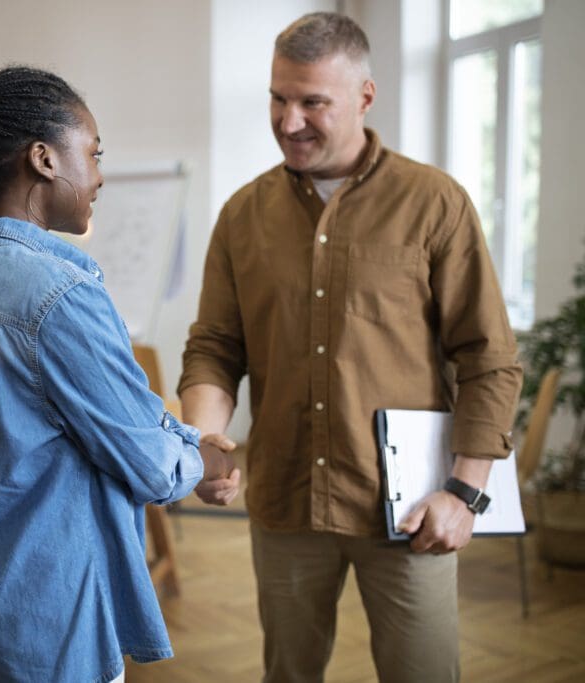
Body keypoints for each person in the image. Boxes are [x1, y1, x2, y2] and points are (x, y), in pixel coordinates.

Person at [178, 12, 522, 683]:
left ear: (364, 97)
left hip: (409, 506)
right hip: (285, 497)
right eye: (279, 98)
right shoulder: (242, 215)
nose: (289, 120)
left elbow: (488, 354)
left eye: (313, 102)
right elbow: (216, 345)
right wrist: (207, 436)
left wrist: (465, 493)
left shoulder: (435, 203)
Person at [0, 66, 234, 682]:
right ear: (44, 159)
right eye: (93, 154)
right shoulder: (57, 295)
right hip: (48, 609)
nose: (99, 176)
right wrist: (209, 461)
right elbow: (148, 461)